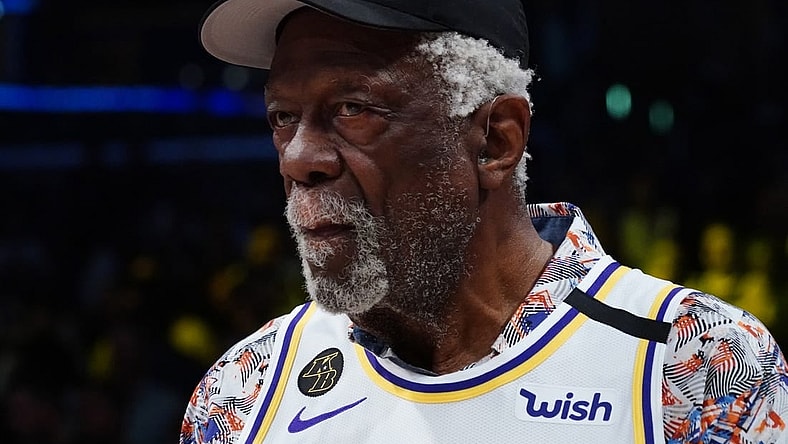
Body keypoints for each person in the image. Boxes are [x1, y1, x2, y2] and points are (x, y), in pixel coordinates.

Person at [180, 0, 788, 443]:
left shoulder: (692, 365)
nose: (299, 158)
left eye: (353, 108)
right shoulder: (244, 393)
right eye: (283, 117)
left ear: (496, 140)